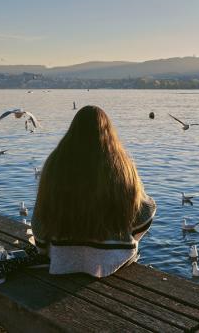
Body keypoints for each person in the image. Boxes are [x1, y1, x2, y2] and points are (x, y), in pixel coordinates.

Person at [32, 105, 156, 277]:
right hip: (114, 261)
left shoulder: (55, 163)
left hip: (62, 261)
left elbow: (39, 217)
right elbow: (146, 210)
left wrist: (44, 248)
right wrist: (130, 236)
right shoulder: (123, 166)